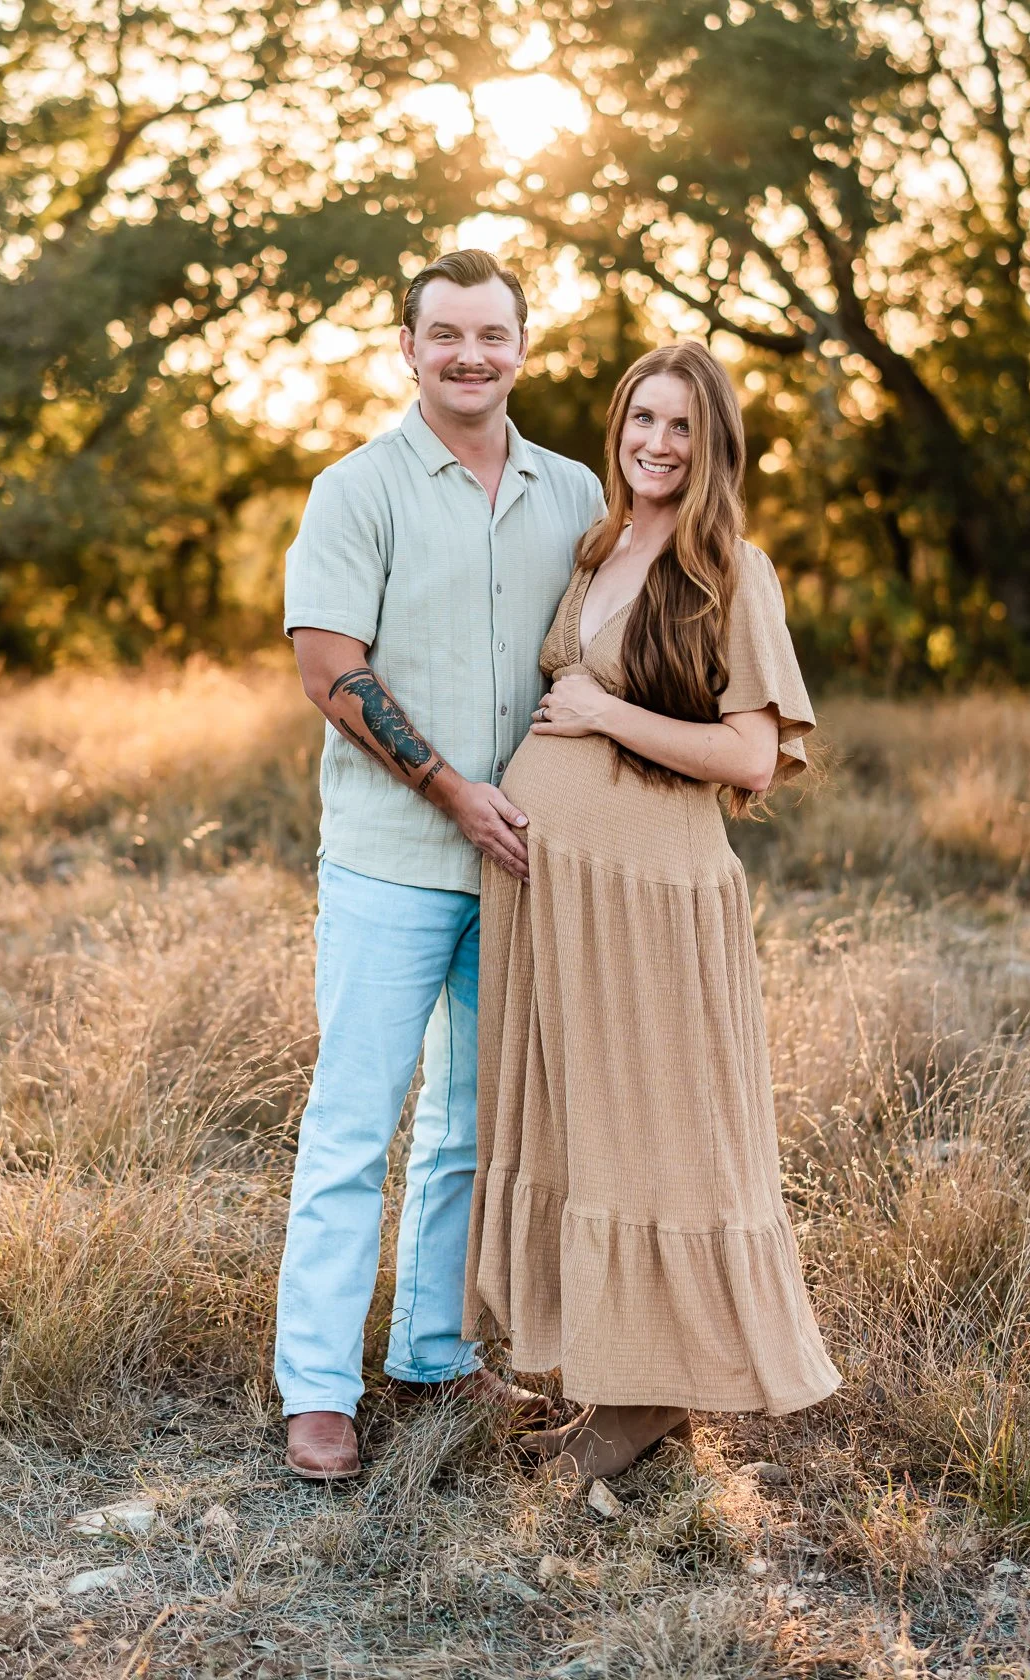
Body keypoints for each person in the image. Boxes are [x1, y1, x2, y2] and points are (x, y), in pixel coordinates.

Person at [463, 341, 842, 1479]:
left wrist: (599, 711)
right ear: (618, 425)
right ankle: (600, 1369)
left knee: (662, 1134)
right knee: (584, 1127)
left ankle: (653, 1404)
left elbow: (751, 758)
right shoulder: (598, 545)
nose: (657, 444)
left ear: (712, 442)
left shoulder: (731, 568)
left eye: (682, 426)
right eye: (642, 419)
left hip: (654, 895)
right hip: (561, 893)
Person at [277, 248, 605, 1479]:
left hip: (518, 868)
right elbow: (330, 672)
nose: (470, 355)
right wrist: (452, 790)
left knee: (472, 1127)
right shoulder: (354, 490)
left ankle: (430, 1349)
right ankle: (316, 1388)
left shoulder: (575, 493)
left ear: (523, 346)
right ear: (406, 347)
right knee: (353, 1125)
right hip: (389, 860)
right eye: (446, 334)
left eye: (493, 335)